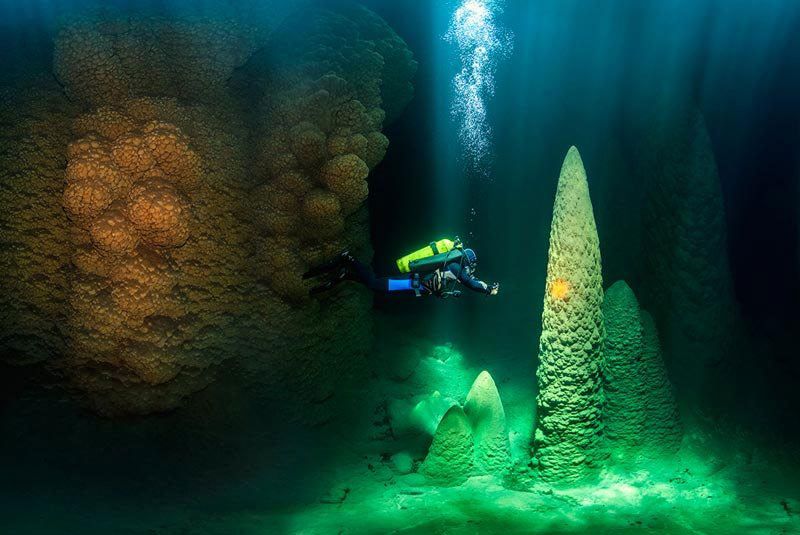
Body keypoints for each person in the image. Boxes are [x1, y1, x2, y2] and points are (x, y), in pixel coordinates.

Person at [303, 247, 500, 298]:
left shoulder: (452, 268)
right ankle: (349, 260)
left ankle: (347, 275)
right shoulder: (456, 267)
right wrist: (488, 289)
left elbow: (436, 283)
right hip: (411, 282)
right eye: (471, 265)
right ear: (466, 261)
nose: (471, 269)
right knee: (376, 284)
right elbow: (471, 283)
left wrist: (444, 293)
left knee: (377, 287)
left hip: (414, 285)